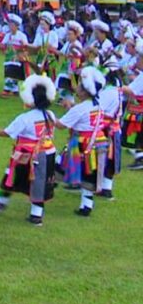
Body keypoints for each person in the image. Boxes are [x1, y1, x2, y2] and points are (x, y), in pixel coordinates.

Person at [0, 75, 58, 226]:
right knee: (34, 181)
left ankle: (35, 215)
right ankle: (3, 201)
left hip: (29, 155)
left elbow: (7, 133)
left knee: (17, 177)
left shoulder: (25, 118)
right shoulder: (50, 115)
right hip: (48, 152)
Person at [56, 67, 111, 217]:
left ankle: (42, 194)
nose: (76, 87)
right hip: (98, 143)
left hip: (81, 144)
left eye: (79, 85)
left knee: (58, 166)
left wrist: (46, 115)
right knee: (90, 173)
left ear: (85, 91)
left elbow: (60, 125)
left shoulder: (79, 109)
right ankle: (86, 205)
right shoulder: (97, 104)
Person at [0, 14, 30, 98]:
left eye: (12, 25)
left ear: (17, 26)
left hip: (18, 58)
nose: (10, 27)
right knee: (8, 72)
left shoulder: (22, 36)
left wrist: (22, 48)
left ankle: (9, 89)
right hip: (9, 58)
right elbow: (3, 45)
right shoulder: (8, 35)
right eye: (9, 25)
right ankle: (11, 89)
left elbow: (26, 47)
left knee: (15, 73)